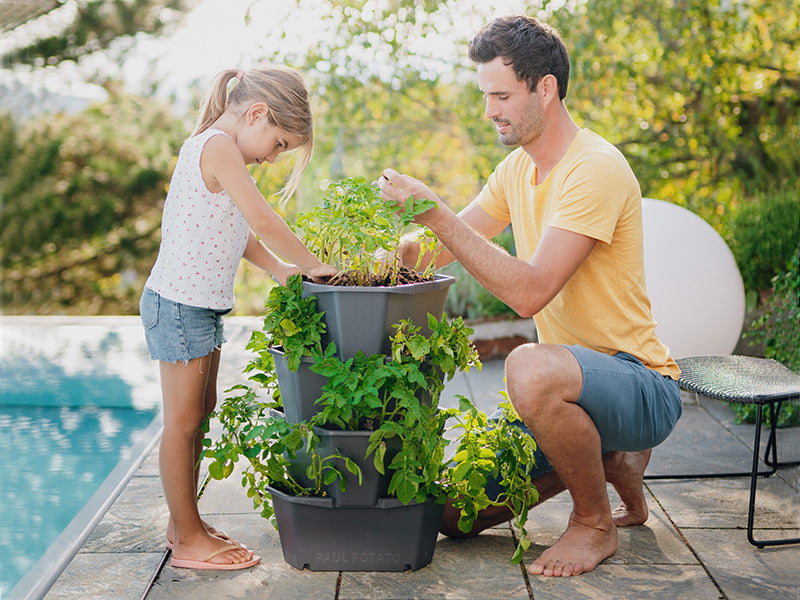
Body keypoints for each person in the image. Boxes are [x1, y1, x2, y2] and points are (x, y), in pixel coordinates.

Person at [377, 15, 682, 578]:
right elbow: (439, 249)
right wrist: (365, 265)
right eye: (485, 95)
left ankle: (593, 523)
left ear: (545, 87)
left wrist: (438, 213)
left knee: (529, 369)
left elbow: (530, 293)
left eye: (501, 94)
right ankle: (610, 457)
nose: (490, 110)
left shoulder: (595, 168)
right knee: (452, 513)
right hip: (573, 391)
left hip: (640, 381)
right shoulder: (516, 170)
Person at [139, 65, 336, 571]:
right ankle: (186, 540)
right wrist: (315, 266)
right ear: (257, 113)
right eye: (278, 143)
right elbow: (263, 218)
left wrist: (279, 268)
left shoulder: (219, 149)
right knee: (183, 424)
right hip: (179, 305)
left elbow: (235, 228)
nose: (273, 157)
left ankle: (185, 523)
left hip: (198, 305)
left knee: (199, 417)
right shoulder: (219, 146)